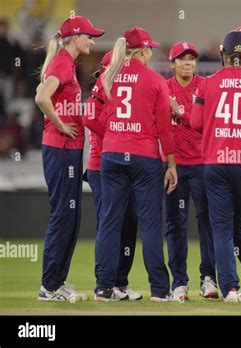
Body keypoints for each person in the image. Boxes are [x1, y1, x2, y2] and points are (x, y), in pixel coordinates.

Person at [94, 28, 177, 302]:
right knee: (151, 224)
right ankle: (159, 290)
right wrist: (172, 164)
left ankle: (104, 288)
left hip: (112, 155)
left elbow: (97, 115)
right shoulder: (156, 80)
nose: (152, 52)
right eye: (149, 48)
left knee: (109, 222)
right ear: (142, 51)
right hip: (144, 157)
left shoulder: (108, 76)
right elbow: (165, 128)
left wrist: (117, 136)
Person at [190, 31, 241, 302]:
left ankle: (230, 289)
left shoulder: (208, 83)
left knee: (222, 229)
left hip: (215, 162)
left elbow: (195, 123)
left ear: (224, 54)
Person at [35, 15, 104, 302]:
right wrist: (61, 125)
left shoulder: (67, 63)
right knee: (63, 216)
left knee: (71, 218)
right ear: (75, 37)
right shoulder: (62, 62)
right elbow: (41, 96)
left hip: (69, 151)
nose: (92, 40)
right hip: (60, 149)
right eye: (89, 36)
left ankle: (57, 282)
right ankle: (48, 287)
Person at [83, 51, 141, 300]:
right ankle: (105, 283)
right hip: (101, 167)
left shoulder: (115, 96)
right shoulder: (101, 96)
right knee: (111, 225)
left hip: (117, 166)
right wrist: (116, 137)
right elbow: (90, 121)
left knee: (127, 225)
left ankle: (119, 283)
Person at [164, 42, 218, 300]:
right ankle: (179, 282)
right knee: (176, 223)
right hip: (174, 166)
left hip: (202, 163)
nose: (188, 63)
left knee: (207, 222)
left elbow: (207, 124)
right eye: (182, 59)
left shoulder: (206, 86)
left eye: (192, 59)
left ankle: (208, 278)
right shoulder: (163, 88)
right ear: (172, 63)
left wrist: (180, 112)